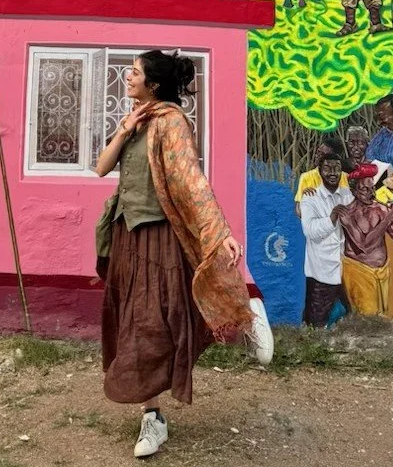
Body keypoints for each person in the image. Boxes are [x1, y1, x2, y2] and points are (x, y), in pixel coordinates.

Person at [96, 50, 272, 458]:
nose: (128, 77)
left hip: (159, 238)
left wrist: (220, 232)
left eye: (134, 72)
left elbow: (191, 180)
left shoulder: (172, 122)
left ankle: (245, 316)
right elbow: (102, 168)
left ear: (153, 84)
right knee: (135, 324)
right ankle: (153, 415)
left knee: (156, 323)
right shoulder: (137, 120)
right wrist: (123, 130)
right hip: (126, 236)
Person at [337, 163, 393, 316]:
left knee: (382, 316)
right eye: (365, 189)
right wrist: (387, 220)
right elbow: (363, 245)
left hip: (382, 272)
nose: (371, 193)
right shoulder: (347, 213)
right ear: (353, 190)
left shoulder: (381, 209)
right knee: (367, 318)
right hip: (359, 271)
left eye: (372, 188)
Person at [300, 150, 352, 328]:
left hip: (345, 269)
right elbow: (309, 231)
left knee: (352, 316)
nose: (332, 173)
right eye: (327, 168)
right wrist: (331, 218)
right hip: (321, 271)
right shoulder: (311, 198)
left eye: (337, 168)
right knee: (316, 322)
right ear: (320, 171)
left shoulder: (347, 195)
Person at [293, 138, 348, 219]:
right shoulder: (306, 177)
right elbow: (299, 210)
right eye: (318, 152)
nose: (317, 156)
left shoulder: (345, 177)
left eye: (323, 154)